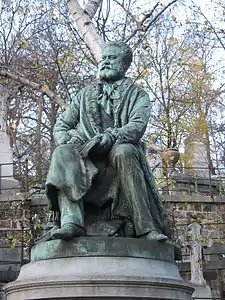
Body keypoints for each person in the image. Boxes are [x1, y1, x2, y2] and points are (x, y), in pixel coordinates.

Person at [45, 41, 168, 242]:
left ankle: (145, 228)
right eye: (104, 59)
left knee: (124, 151)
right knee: (63, 151)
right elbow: (61, 125)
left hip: (119, 151)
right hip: (86, 154)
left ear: (125, 64)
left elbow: (137, 125)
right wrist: (68, 139)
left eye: (112, 58)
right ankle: (71, 222)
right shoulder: (84, 94)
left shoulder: (139, 95)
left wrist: (112, 136)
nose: (105, 62)